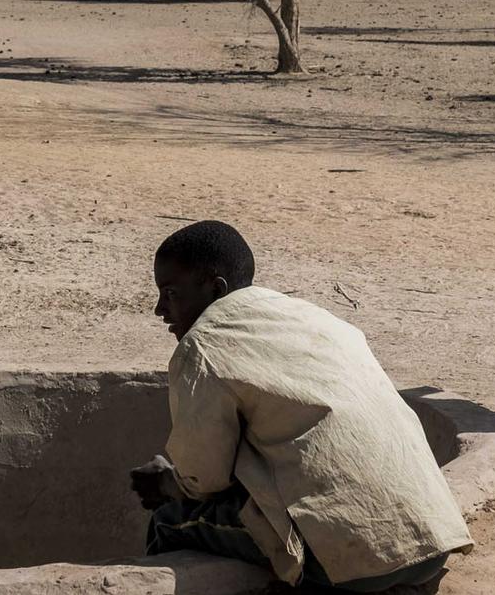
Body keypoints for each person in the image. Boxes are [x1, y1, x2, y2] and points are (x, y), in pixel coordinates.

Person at [129, 221, 470, 592]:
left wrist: (165, 482)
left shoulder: (203, 346)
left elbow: (204, 480)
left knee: (169, 521)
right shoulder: (320, 319)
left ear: (215, 287)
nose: (160, 309)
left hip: (355, 559)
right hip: (432, 540)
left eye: (171, 293)